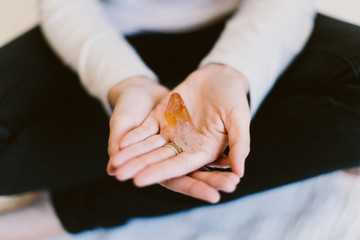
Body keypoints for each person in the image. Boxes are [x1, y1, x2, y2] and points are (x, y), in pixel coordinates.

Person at [0, 0, 359, 238]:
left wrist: (233, 69)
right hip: (107, 33)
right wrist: (123, 81)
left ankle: (74, 209)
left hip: (249, 24)